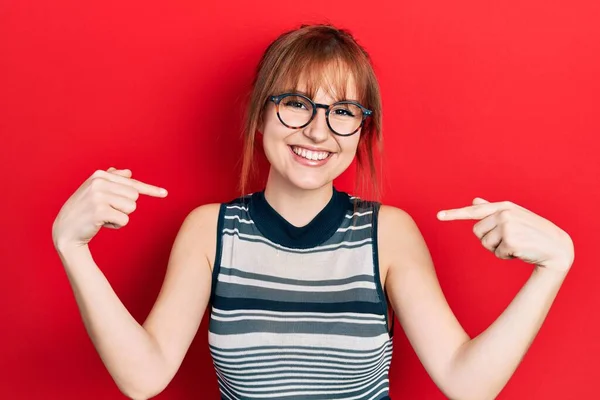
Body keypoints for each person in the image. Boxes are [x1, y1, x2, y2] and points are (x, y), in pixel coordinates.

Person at [51, 24, 574, 400]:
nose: (319, 131)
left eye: (343, 112)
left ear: (361, 133)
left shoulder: (387, 234)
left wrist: (553, 267)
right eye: (297, 103)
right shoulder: (210, 231)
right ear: (261, 113)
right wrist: (74, 250)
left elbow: (468, 382)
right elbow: (144, 378)